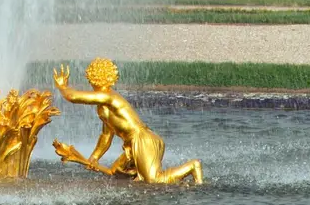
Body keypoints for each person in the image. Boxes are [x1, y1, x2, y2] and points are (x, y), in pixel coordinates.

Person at [52, 58, 203, 185]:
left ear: (93, 76)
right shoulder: (103, 106)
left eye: (90, 75)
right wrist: (94, 157)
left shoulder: (108, 96)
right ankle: (179, 185)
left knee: (153, 180)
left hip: (142, 139)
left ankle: (192, 166)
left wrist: (63, 86)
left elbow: (73, 97)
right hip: (132, 144)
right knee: (117, 174)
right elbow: (106, 135)